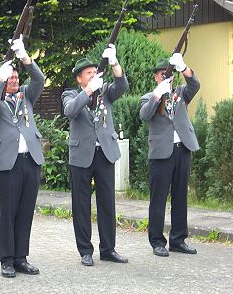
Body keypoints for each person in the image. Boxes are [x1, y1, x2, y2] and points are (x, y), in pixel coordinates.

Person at [0, 35, 45, 278]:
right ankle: (6, 259)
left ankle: (21, 258)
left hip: (30, 161)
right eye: (11, 77)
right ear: (1, 80)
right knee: (7, 213)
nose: (15, 80)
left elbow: (39, 79)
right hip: (7, 165)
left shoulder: (26, 95)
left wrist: (25, 58)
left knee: (26, 211)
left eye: (17, 76)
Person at [62, 44, 129, 266]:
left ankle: (108, 248)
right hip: (82, 154)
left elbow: (122, 86)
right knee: (81, 204)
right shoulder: (70, 94)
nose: (93, 75)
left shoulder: (105, 91)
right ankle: (85, 250)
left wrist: (115, 63)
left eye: (94, 72)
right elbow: (70, 110)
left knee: (107, 202)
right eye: (88, 73)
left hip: (104, 153)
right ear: (79, 79)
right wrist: (89, 90)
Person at [139, 53, 200, 257]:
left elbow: (195, 85)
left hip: (182, 148)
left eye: (169, 75)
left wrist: (184, 68)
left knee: (180, 196)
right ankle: (157, 241)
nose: (166, 78)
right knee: (158, 198)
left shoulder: (181, 93)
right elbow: (145, 115)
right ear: (156, 77)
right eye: (162, 75)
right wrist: (158, 93)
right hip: (161, 153)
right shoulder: (149, 97)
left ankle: (178, 239)